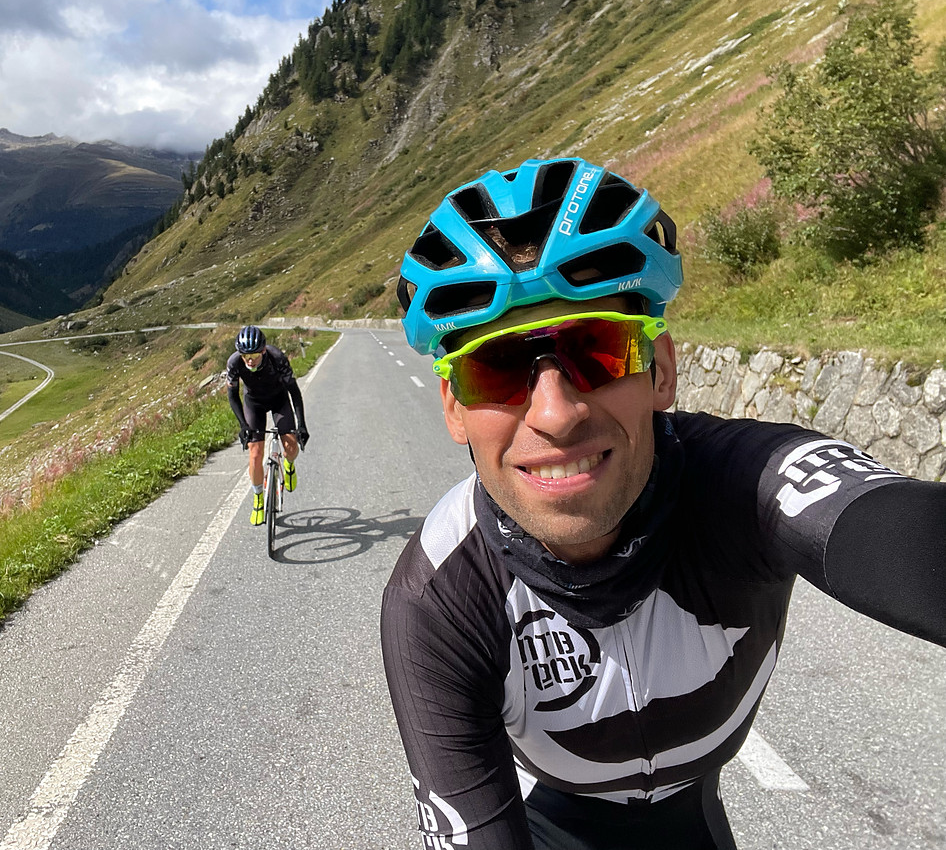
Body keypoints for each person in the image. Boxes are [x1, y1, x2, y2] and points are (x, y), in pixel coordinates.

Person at [380, 156, 946, 849]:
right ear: (453, 408)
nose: (556, 414)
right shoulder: (438, 597)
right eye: (494, 369)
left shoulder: (746, 482)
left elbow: (894, 530)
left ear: (662, 370)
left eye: (597, 350)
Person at [227, 325, 309, 525]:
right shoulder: (234, 362)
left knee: (291, 446)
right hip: (253, 404)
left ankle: (288, 465)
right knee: (255, 453)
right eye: (245, 356)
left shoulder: (277, 358)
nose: (250, 360)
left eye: (254, 355)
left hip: (279, 400)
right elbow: (233, 396)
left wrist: (301, 425)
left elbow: (295, 393)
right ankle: (258, 498)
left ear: (263, 351)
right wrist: (243, 425)